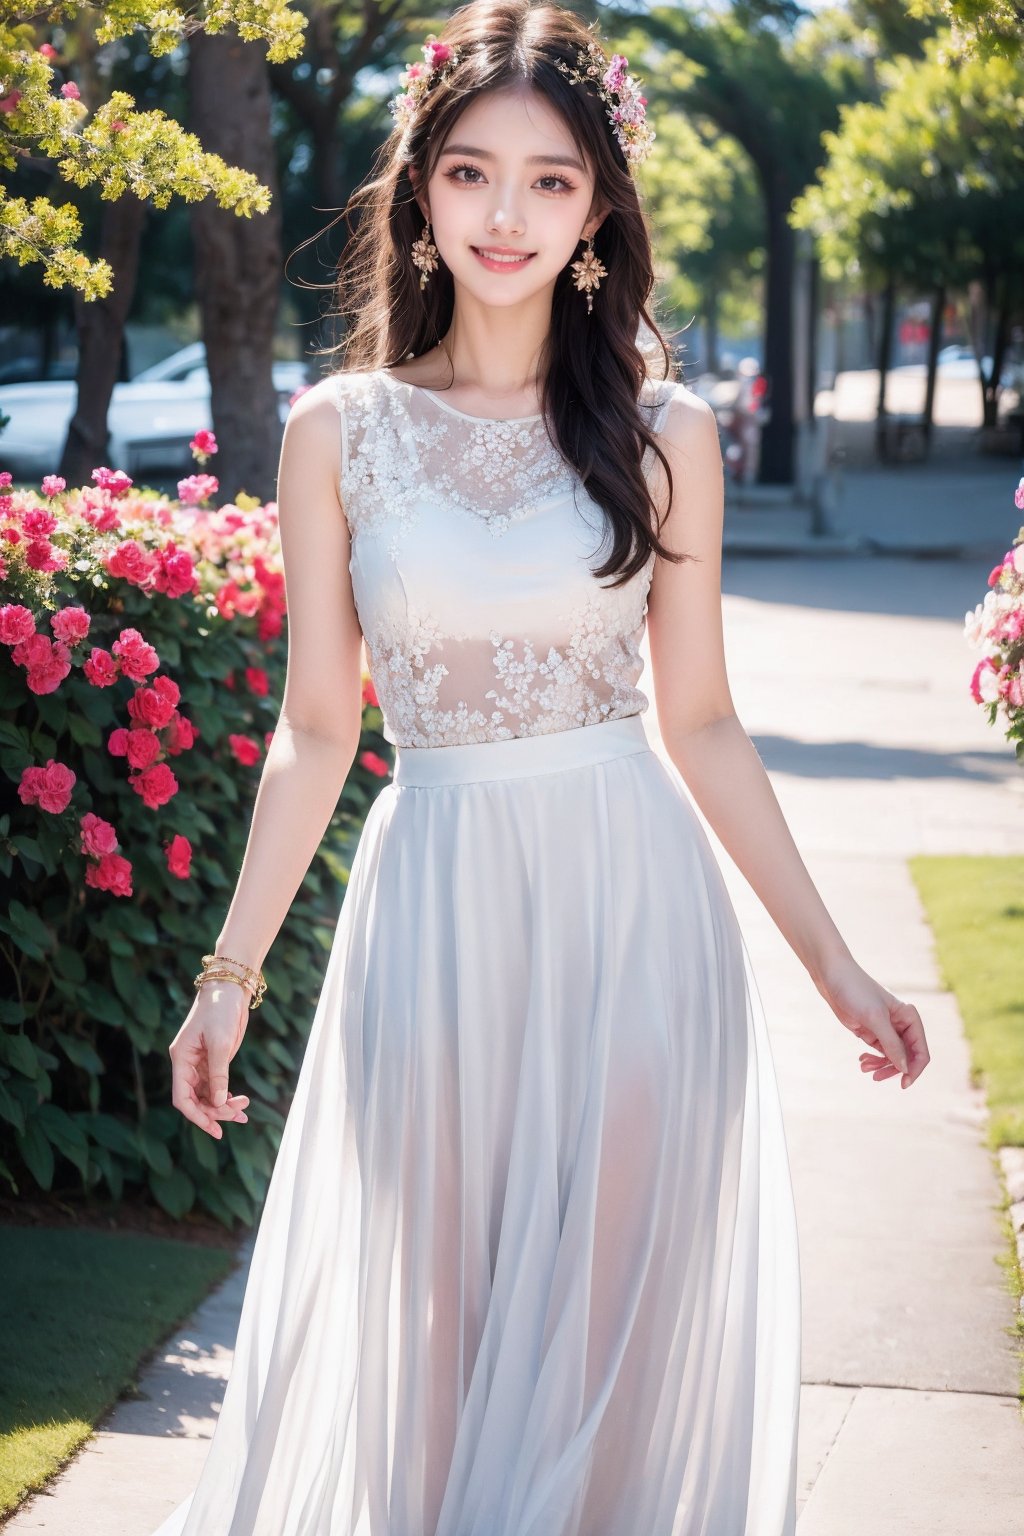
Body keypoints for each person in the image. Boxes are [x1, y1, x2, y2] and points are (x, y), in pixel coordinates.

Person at [155, 3, 930, 1533]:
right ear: (422, 195)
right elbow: (320, 730)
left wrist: (834, 964)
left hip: (631, 918)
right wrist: (228, 975)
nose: (505, 214)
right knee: (429, 1352)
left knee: (598, 1370)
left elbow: (701, 718)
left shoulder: (664, 432)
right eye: (470, 173)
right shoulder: (342, 432)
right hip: (432, 918)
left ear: (597, 211)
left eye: (551, 180)